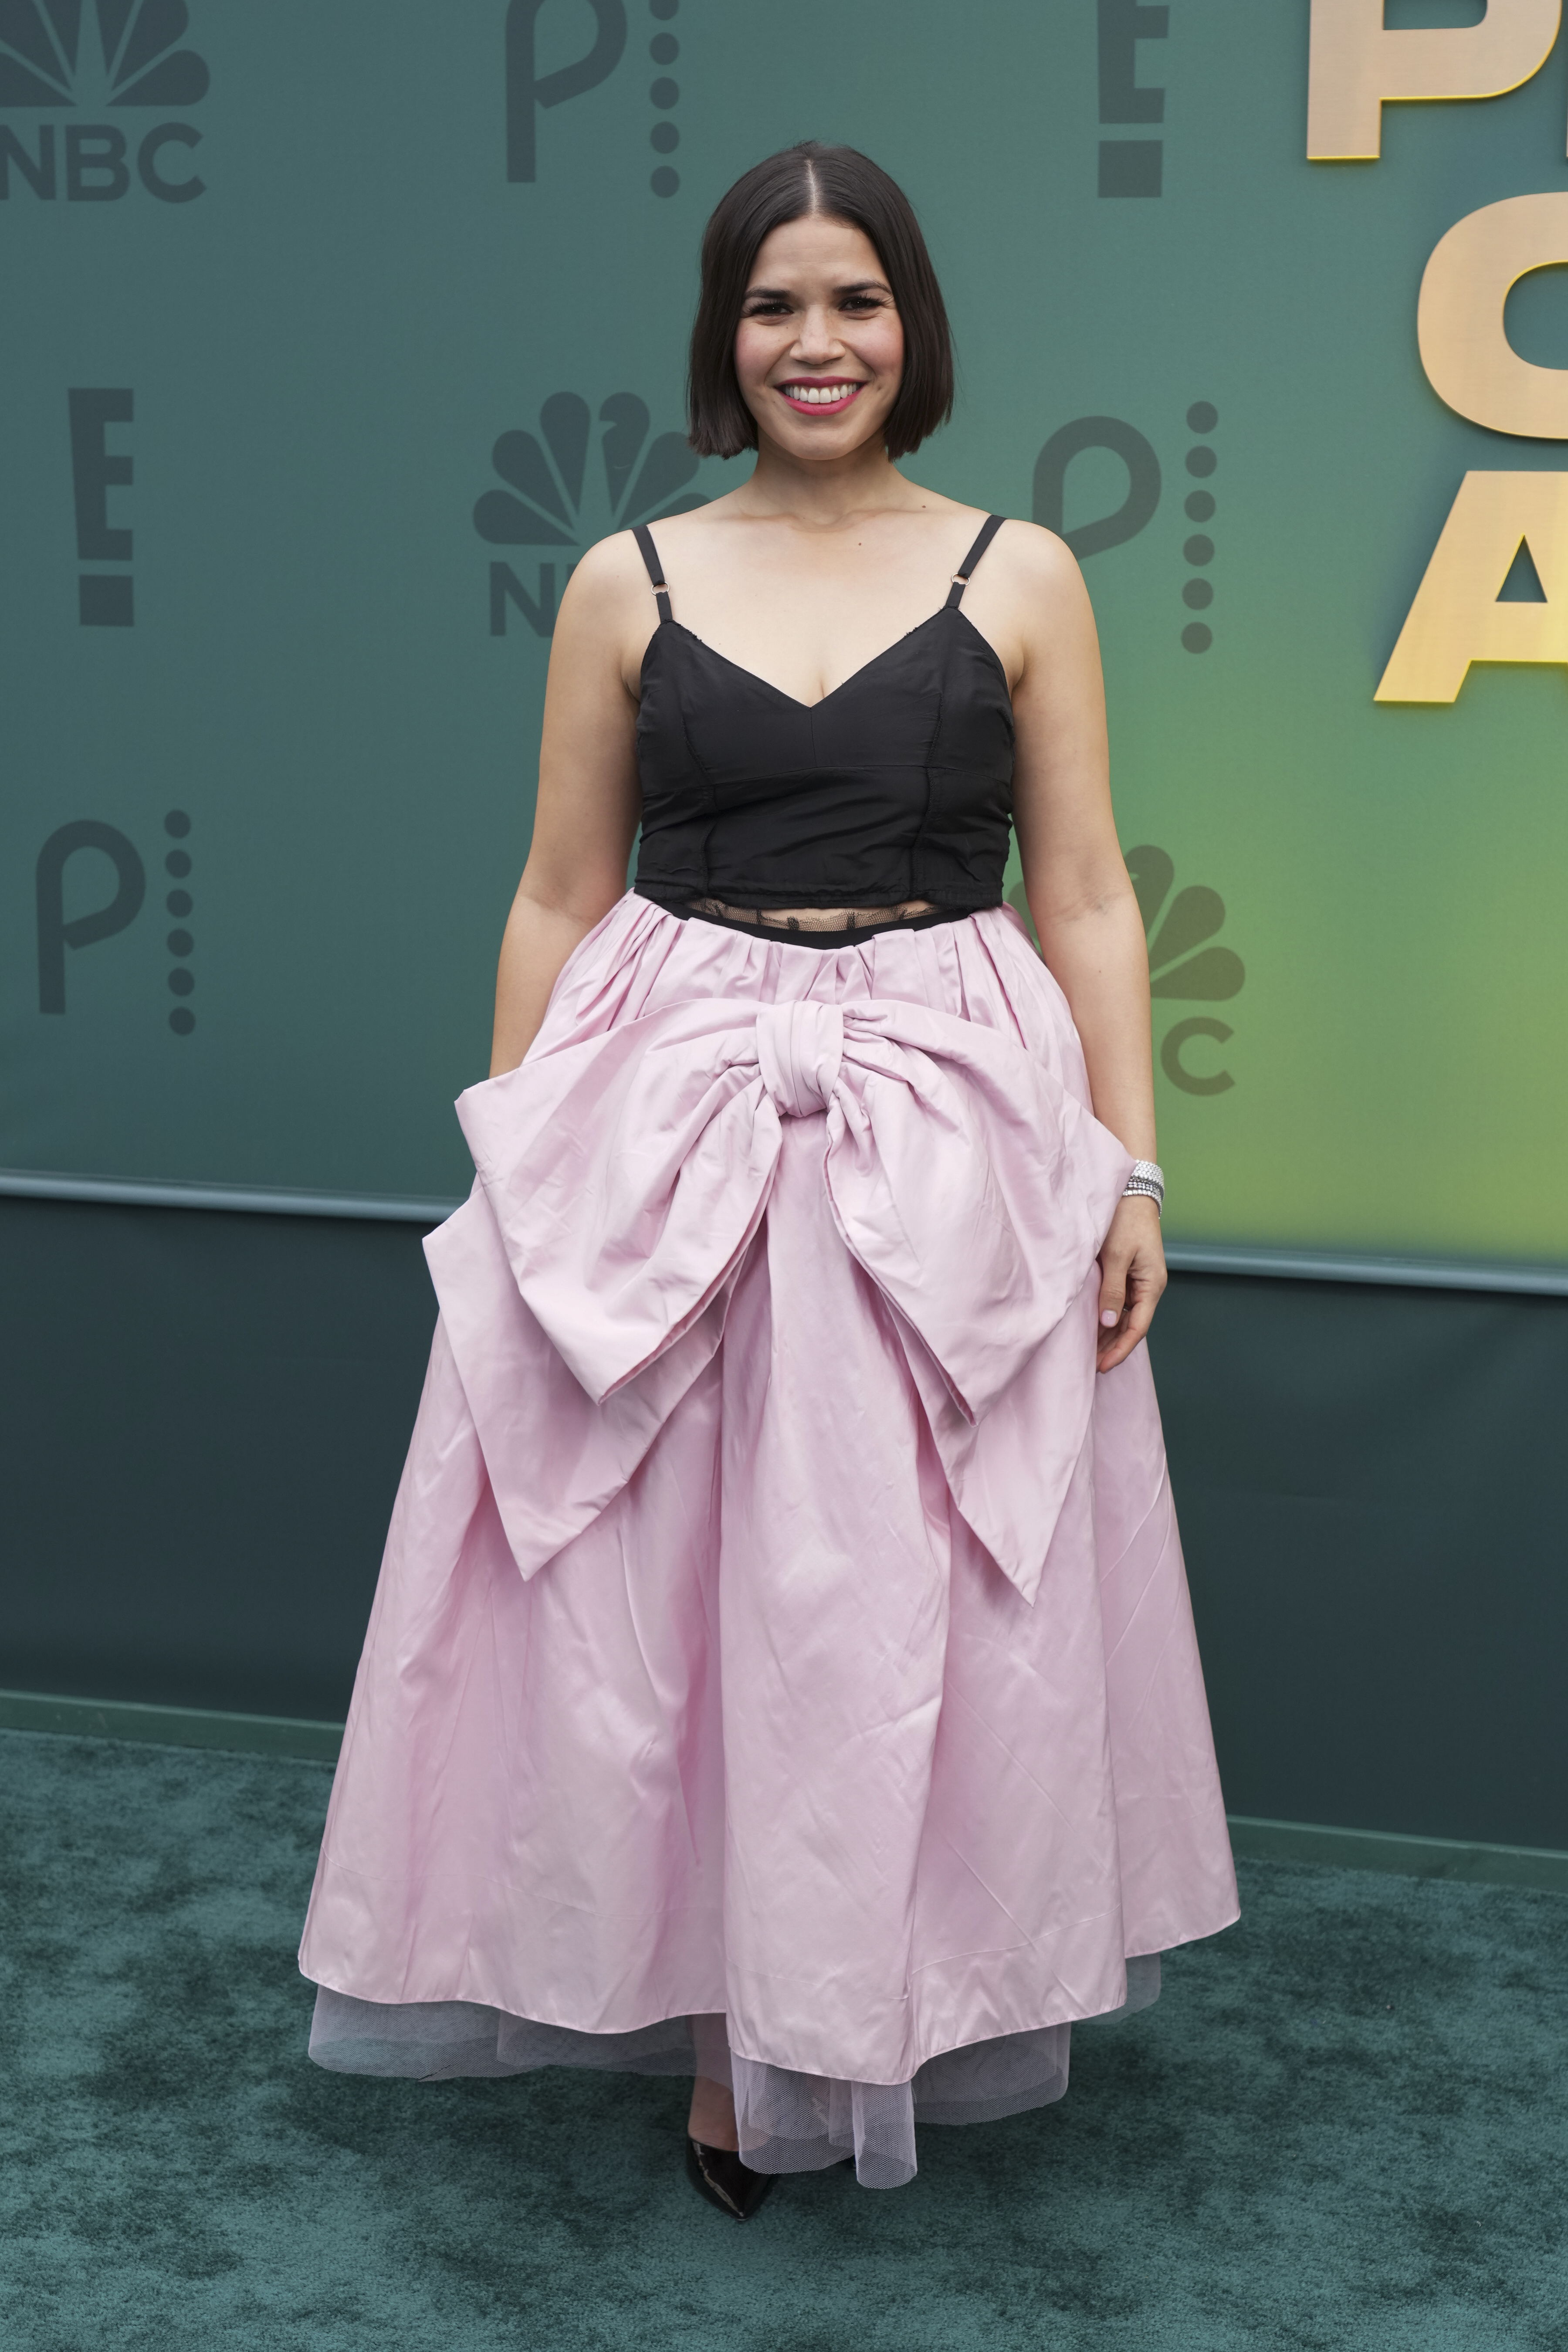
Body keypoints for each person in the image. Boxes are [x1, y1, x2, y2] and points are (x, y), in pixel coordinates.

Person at [299, 141, 1238, 2217]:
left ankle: (867, 2002)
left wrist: (1132, 1169)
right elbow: (559, 891)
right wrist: (528, 1172)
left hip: (948, 1124)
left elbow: (1083, 895)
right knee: (673, 1604)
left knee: (892, 1606)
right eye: (773, 305)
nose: (818, 342)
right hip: (668, 1111)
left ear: (918, 327)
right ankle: (734, 2046)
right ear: (725, 340)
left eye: (858, 299)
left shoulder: (1025, 574)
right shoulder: (624, 575)